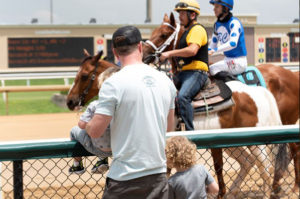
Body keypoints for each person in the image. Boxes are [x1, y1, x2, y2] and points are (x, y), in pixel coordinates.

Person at [86, 25, 177, 199]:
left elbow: (96, 130)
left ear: (114, 51)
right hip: (158, 175)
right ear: (141, 47)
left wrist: (87, 125)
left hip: (124, 179)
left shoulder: (112, 83)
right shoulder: (166, 81)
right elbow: (169, 127)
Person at [159, 0, 209, 131]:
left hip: (196, 73)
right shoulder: (185, 32)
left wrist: (169, 53)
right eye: (179, 13)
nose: (179, 16)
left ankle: (190, 132)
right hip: (182, 74)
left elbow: (192, 50)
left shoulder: (197, 29)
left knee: (183, 96)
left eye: (182, 14)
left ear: (192, 15)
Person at [68, 67, 120, 175]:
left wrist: (90, 123)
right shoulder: (125, 106)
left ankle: (77, 165)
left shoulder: (95, 105)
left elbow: (81, 125)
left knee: (75, 130)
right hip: (120, 149)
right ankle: (101, 161)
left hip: (96, 148)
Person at [208, 0, 248, 80]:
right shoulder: (217, 25)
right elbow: (212, 45)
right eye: (214, 7)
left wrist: (215, 50)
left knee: (212, 69)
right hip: (228, 60)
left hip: (238, 62)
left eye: (217, 7)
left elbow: (233, 43)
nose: (214, 9)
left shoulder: (234, 23)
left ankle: (235, 86)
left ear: (225, 8)